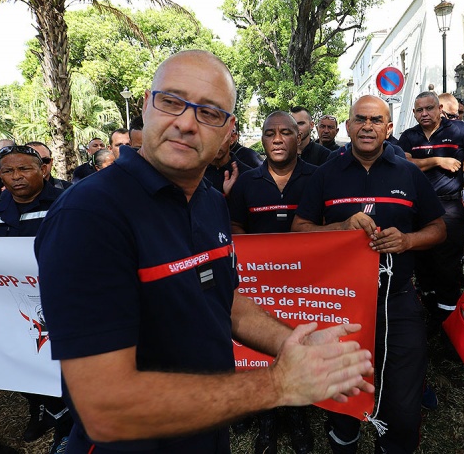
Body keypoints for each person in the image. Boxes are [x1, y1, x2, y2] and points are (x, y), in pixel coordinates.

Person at [35, 50, 374, 454]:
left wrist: (294, 345)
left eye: (209, 112)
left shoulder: (210, 200)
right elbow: (104, 408)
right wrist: (278, 384)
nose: (186, 123)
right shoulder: (89, 214)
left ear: (229, 131)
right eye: (171, 101)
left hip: (208, 428)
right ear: (146, 105)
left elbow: (226, 303)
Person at [292, 95, 446, 454]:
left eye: (376, 120)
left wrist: (407, 240)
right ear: (348, 127)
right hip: (341, 302)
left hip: (397, 299)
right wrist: (341, 227)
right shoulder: (326, 173)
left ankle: (392, 443)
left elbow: (439, 229)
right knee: (342, 393)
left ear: (388, 129)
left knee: (403, 400)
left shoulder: (408, 172)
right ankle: (344, 440)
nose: (367, 126)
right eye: (360, 119)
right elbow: (299, 230)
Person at [228, 111, 317, 454]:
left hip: (308, 285)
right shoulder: (247, 182)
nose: (277, 139)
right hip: (261, 288)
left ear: (299, 138)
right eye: (269, 133)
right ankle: (268, 419)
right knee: (262, 351)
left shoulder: (318, 177)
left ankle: (298, 416)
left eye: (285, 132)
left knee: (298, 345)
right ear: (262, 139)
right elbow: (235, 228)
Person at [0, 145, 71, 452]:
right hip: (18, 313)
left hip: (67, 308)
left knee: (70, 373)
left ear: (43, 170)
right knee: (30, 370)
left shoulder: (69, 206)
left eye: (24, 169)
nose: (16, 176)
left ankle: (70, 431)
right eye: (7, 171)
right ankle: (50, 416)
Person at [398, 91, 464, 317]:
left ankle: (449, 319)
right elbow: (404, 164)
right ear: (414, 113)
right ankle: (430, 314)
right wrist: (438, 161)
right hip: (417, 209)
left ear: (440, 109)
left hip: (449, 207)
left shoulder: (459, 130)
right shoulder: (409, 136)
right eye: (419, 110)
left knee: (448, 265)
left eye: (429, 108)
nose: (424, 113)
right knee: (422, 263)